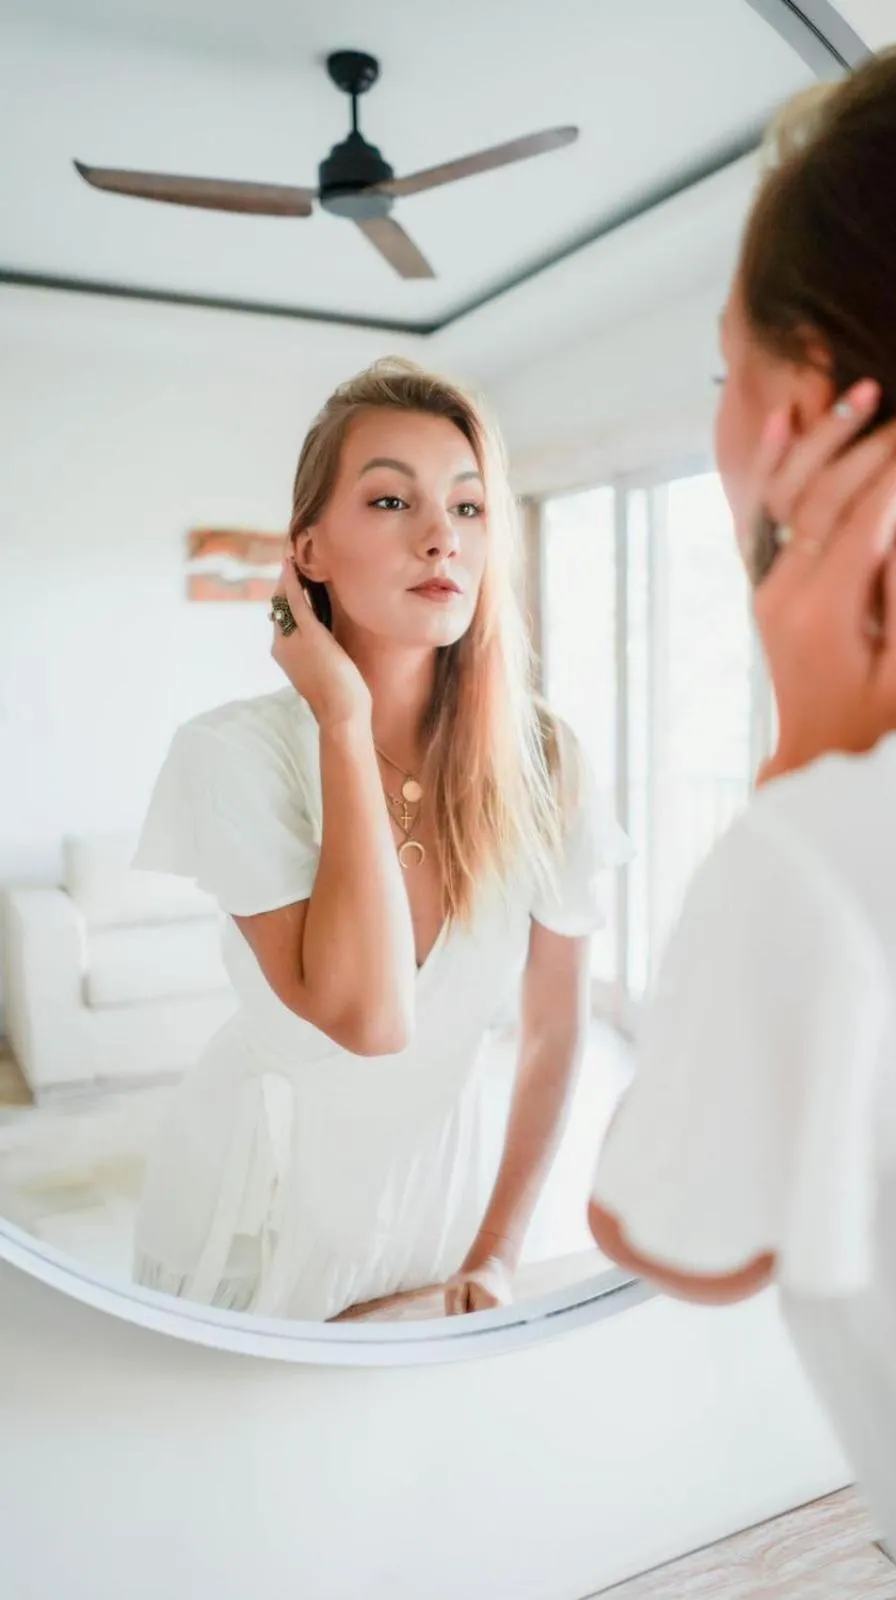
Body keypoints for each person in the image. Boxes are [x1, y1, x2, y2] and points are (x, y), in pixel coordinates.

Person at [590, 44, 896, 1600]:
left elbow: (678, 1233)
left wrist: (809, 760)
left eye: (722, 372)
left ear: (800, 407)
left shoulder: (833, 859)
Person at [132, 358, 628, 1321]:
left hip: (441, 1201)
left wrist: (498, 1248)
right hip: (256, 1205)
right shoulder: (231, 757)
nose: (442, 536)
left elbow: (553, 1031)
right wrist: (343, 721)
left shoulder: (547, 760)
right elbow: (370, 1020)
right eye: (392, 500)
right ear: (308, 551)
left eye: (469, 507)